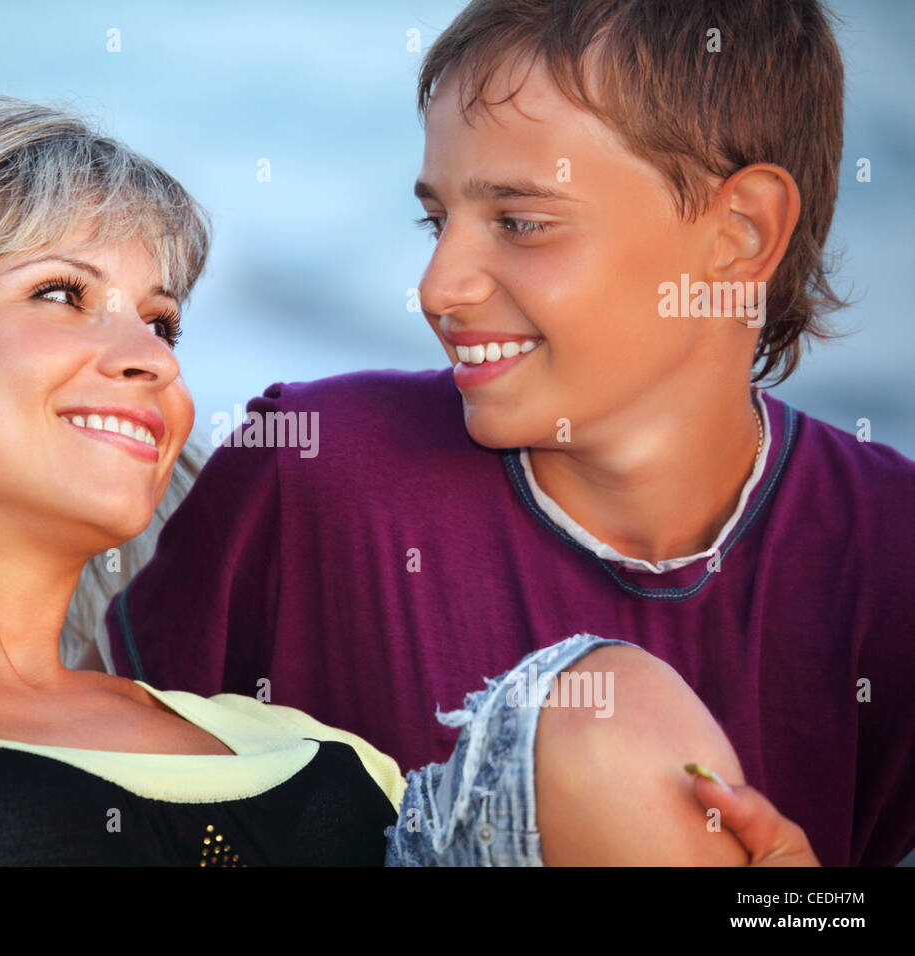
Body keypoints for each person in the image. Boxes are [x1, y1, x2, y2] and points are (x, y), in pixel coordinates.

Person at [0, 82, 800, 867]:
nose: (143, 358)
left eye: (165, 323)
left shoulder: (313, 749)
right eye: (60, 295)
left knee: (610, 711)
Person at [104, 0, 915, 867]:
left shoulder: (889, 553)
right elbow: (100, 808)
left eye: (522, 222)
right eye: (435, 219)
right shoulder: (312, 473)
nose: (438, 286)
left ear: (740, 234)